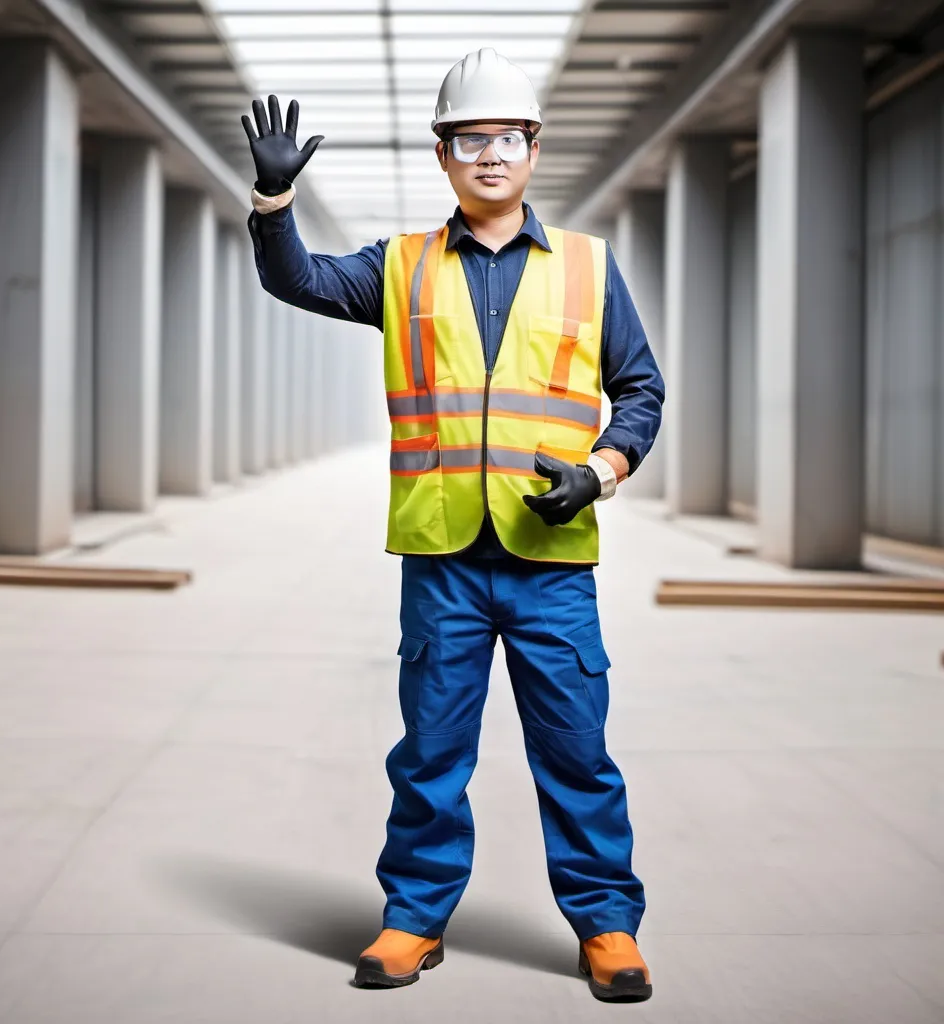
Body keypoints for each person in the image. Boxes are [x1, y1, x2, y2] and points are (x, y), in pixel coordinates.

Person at [242, 47, 664, 1003]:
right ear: (443, 154)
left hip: (551, 560)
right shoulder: (398, 267)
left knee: (577, 750)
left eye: (505, 137)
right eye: (469, 138)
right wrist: (273, 207)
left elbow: (640, 389)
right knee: (431, 751)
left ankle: (606, 925)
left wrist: (599, 472)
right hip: (442, 560)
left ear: (532, 148)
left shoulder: (591, 270)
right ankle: (413, 917)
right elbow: (297, 279)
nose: (488, 155)